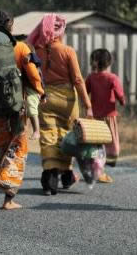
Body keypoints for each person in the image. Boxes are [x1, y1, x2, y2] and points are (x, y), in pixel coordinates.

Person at [0, 10, 44, 210]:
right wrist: (41, 92)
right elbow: (33, 76)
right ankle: (8, 198)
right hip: (16, 109)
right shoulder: (21, 48)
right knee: (16, 149)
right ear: (10, 26)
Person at [28, 13, 93, 196]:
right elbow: (78, 80)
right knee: (65, 135)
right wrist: (87, 104)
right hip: (67, 100)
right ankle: (66, 175)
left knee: (48, 136)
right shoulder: (67, 51)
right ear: (60, 31)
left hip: (45, 97)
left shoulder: (37, 51)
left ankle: (50, 177)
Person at [85, 49, 125, 183]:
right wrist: (123, 101)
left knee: (97, 144)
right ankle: (100, 170)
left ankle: (96, 167)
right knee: (112, 146)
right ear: (109, 62)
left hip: (95, 118)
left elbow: (85, 93)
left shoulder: (91, 77)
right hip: (109, 117)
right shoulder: (112, 78)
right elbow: (120, 95)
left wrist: (88, 107)